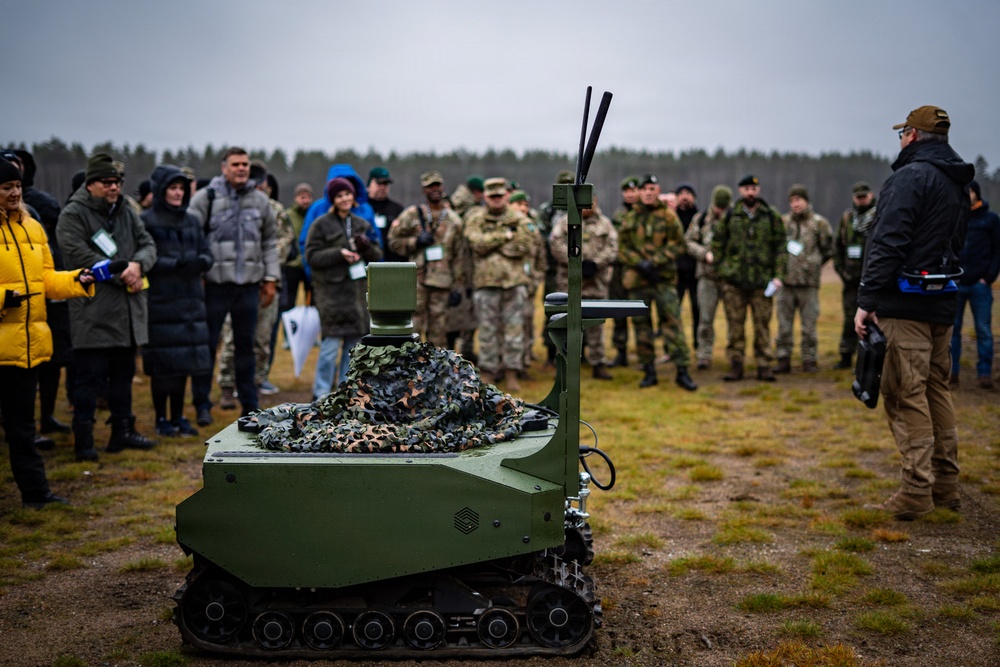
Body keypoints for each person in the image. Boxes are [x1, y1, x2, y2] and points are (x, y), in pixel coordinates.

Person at [854, 105, 974, 519]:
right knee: (935, 389)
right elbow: (956, 242)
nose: (901, 139)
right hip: (941, 303)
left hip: (903, 307)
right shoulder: (956, 181)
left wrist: (867, 300)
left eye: (902, 131)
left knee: (905, 394)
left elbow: (888, 241)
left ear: (913, 135)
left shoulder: (910, 177)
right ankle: (945, 484)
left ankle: (916, 490)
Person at [1, 158, 94, 507]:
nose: (14, 193)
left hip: (25, 345)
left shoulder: (33, 227)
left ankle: (35, 493)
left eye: (17, 187)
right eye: (6, 188)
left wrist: (76, 279)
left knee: (22, 426)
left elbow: (46, 281)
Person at [57, 152, 158, 461]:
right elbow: (76, 254)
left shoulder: (127, 210)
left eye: (117, 182)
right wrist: (122, 272)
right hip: (93, 313)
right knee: (88, 380)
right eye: (107, 182)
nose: (114, 187)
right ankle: (84, 441)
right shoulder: (73, 214)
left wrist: (138, 266)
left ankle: (122, 432)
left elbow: (148, 244)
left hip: (127, 313)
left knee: (123, 376)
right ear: (91, 184)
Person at [187, 147, 279, 424]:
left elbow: (269, 243)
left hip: (249, 286)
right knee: (207, 345)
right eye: (236, 164)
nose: (241, 169)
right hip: (214, 285)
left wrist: (271, 278)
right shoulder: (206, 198)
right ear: (224, 167)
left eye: (245, 164)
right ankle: (202, 404)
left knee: (246, 347)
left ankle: (249, 405)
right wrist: (197, 275)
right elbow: (191, 238)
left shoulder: (260, 202)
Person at [141, 165, 213, 437]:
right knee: (162, 366)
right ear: (161, 190)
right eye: (172, 188)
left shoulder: (192, 220)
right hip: (161, 301)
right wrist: (177, 264)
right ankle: (161, 419)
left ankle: (178, 416)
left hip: (191, 301)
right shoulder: (147, 220)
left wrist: (202, 262)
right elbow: (146, 258)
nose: (177, 193)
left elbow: (206, 252)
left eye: (181, 188)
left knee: (184, 364)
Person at [618, 174, 697, 391]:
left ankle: (682, 371)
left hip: (663, 279)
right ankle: (648, 371)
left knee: (672, 324)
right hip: (638, 281)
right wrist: (640, 264)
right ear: (640, 192)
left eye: (653, 188)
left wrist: (654, 263)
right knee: (642, 327)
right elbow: (622, 247)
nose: (649, 192)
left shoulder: (668, 216)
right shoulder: (631, 217)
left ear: (658, 190)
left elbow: (678, 244)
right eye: (645, 189)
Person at [306, 177, 382, 398]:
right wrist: (339, 253)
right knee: (329, 350)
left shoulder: (362, 224)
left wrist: (366, 246)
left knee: (353, 350)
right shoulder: (320, 224)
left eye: (347, 194)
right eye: (339, 195)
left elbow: (376, 255)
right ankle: (320, 393)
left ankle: (344, 393)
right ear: (332, 199)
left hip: (357, 296)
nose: (344, 199)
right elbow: (311, 256)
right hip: (331, 296)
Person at [711, 174, 786, 382]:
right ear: (740, 191)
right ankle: (736, 366)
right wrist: (723, 270)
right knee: (735, 326)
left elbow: (781, 247)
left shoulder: (770, 216)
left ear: (758, 190)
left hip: (762, 283)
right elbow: (717, 244)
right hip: (734, 283)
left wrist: (779, 276)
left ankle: (764, 365)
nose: (750, 192)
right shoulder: (730, 216)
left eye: (753, 189)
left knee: (762, 326)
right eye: (745, 189)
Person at [464, 177, 533, 391]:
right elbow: (476, 243)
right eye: (492, 196)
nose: (496, 200)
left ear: (506, 196)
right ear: (485, 196)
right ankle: (489, 371)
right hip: (486, 283)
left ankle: (512, 372)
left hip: (514, 283)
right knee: (487, 331)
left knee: (514, 331)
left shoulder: (519, 218)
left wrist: (494, 244)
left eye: (500, 196)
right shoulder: (476, 218)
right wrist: (505, 235)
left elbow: (524, 245)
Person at [387, 170, 465, 347]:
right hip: (417, 281)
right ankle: (410, 367)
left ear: (443, 188)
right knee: (413, 326)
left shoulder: (454, 220)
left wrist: (457, 286)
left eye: (437, 185)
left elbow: (459, 256)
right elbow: (393, 241)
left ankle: (434, 369)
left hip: (443, 282)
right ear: (424, 190)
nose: (434, 189)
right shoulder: (412, 215)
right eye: (430, 186)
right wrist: (414, 242)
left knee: (439, 329)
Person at [550, 193, 618, 379]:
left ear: (596, 201)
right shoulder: (565, 222)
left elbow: (612, 248)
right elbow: (556, 244)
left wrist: (596, 263)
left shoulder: (605, 224)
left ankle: (598, 363)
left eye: (591, 201)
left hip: (596, 282)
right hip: (570, 284)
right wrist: (576, 261)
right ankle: (566, 366)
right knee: (567, 325)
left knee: (596, 327)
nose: (588, 205)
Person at [774, 185, 833, 374]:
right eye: (792, 201)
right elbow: (776, 249)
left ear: (806, 201)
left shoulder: (819, 223)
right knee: (783, 325)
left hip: (809, 284)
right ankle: (783, 359)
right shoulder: (783, 222)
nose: (795, 204)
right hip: (786, 283)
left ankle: (809, 360)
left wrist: (814, 264)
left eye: (798, 200)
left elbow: (828, 249)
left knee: (809, 326)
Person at [950, 180, 1000, 389]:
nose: (967, 195)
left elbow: (997, 251)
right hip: (957, 283)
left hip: (980, 284)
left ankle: (985, 373)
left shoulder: (990, 220)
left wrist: (988, 278)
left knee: (983, 330)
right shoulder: (955, 218)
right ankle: (951, 372)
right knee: (953, 330)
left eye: (969, 191)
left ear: (976, 194)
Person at [684, 185, 732, 370]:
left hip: (729, 278)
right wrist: (704, 254)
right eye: (718, 207)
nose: (720, 211)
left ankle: (734, 355)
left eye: (723, 207)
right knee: (705, 318)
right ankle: (704, 354)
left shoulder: (734, 218)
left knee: (733, 319)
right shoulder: (701, 219)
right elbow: (688, 241)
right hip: (706, 278)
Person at [832, 181, 877, 369]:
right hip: (850, 280)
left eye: (864, 196)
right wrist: (842, 272)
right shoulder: (847, 219)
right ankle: (845, 355)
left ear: (871, 195)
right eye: (858, 197)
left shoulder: (879, 216)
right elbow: (837, 248)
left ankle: (867, 357)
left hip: (872, 279)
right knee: (850, 318)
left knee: (871, 320)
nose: (861, 199)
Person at [509, 189, 548, 373]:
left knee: (525, 323)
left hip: (528, 284)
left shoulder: (532, 227)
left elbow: (540, 256)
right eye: (519, 204)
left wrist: (536, 278)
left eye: (526, 205)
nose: (523, 208)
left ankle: (522, 363)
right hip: (508, 283)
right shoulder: (506, 225)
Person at [608, 176, 640, 367]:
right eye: (626, 191)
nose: (629, 194)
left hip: (637, 269)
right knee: (618, 311)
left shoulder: (643, 214)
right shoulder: (619, 214)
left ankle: (644, 354)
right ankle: (621, 352)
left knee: (639, 313)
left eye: (633, 191)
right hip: (619, 269)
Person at [674, 183, 700, 351]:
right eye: (681, 193)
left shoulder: (700, 217)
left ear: (694, 197)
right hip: (676, 272)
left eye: (688, 193)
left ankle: (698, 345)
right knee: (674, 312)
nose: (685, 196)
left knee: (698, 311)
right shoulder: (671, 217)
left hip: (695, 272)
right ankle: (676, 347)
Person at [282, 182, 314, 309]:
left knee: (312, 301)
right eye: (302, 197)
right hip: (292, 265)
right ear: (296, 198)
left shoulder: (314, 215)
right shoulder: (287, 215)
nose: (305, 201)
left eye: (308, 197)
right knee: (289, 301)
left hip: (309, 263)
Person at [367, 166, 406, 261]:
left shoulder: (397, 209)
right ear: (370, 184)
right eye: (379, 184)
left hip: (391, 261)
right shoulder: (362, 208)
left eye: (386, 184)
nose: (383, 188)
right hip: (368, 260)